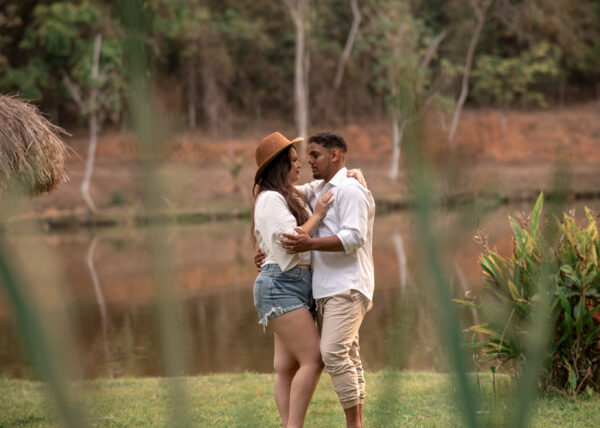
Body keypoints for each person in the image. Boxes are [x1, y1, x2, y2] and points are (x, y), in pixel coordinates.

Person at [280, 131, 375, 428]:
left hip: (348, 285)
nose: (308, 161)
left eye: (315, 155)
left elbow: (354, 237)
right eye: (306, 155)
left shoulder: (350, 189)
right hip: (327, 289)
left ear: (335, 155)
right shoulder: (319, 188)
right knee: (348, 355)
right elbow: (286, 190)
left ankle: (353, 424)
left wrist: (309, 244)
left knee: (332, 353)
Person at [251, 131, 333, 428]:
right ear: (279, 166)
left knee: (287, 367)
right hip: (281, 286)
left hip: (289, 284)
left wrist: (350, 173)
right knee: (313, 359)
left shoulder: (288, 194)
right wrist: (318, 215)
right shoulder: (270, 198)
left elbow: (316, 187)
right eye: (294, 160)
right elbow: (292, 240)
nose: (300, 165)